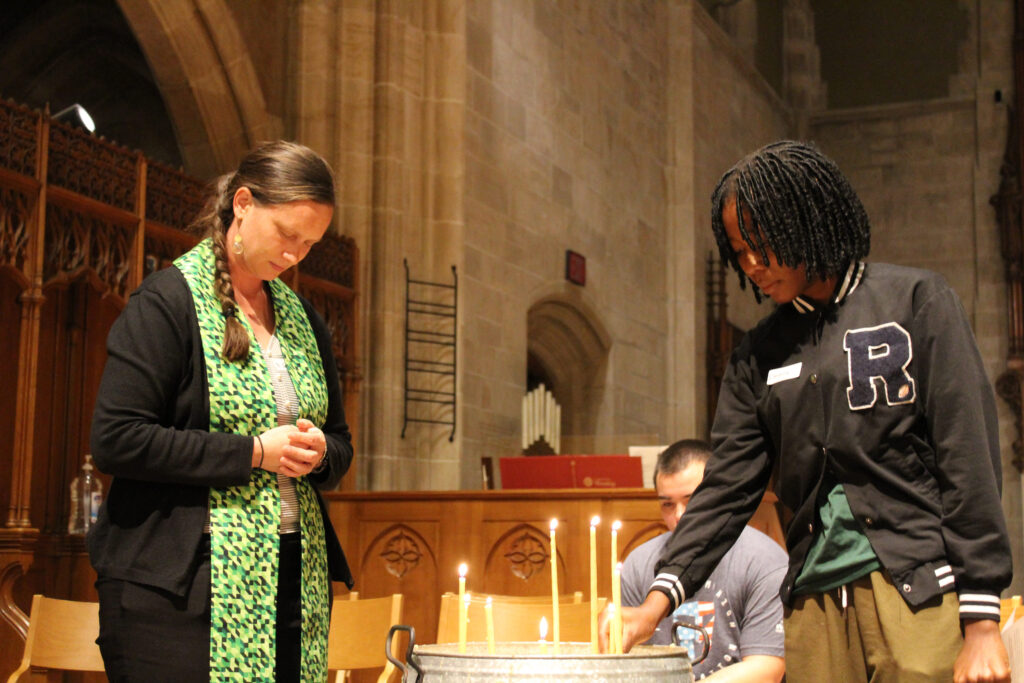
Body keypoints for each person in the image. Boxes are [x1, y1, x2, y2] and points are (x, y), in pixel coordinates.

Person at [605, 140, 1012, 683]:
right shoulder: (757, 354)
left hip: (916, 590)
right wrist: (655, 602)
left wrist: (982, 619)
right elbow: (726, 488)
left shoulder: (917, 301)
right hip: (813, 603)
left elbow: (967, 455)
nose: (751, 265)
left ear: (805, 221)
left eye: (761, 245)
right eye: (738, 251)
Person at [88, 140, 354, 683]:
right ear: (244, 204)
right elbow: (117, 439)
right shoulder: (167, 303)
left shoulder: (306, 322)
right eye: (287, 234)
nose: (295, 255)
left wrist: (321, 452)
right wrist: (255, 452)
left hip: (288, 578)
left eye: (310, 244)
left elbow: (342, 441)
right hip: (177, 587)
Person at [620, 439, 786, 682]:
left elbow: (766, 670)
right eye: (667, 504)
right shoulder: (639, 563)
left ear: (716, 497)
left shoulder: (765, 561)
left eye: (692, 501)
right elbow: (630, 664)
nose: (679, 516)